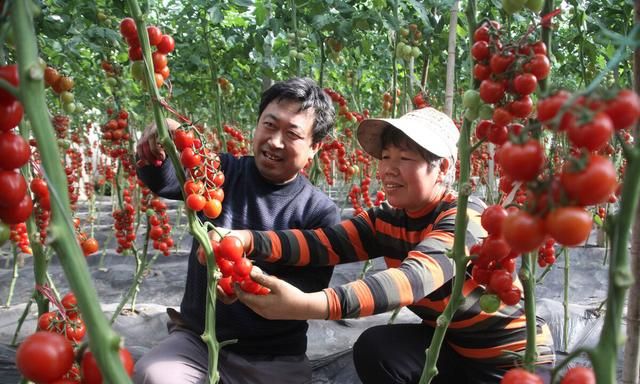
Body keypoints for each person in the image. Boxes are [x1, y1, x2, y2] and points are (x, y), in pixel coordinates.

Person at [220, 107, 556, 383]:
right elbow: (322, 243)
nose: (389, 170)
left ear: (443, 168)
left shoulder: (467, 217)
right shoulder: (387, 218)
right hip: (452, 350)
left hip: (512, 363)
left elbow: (411, 279)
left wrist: (306, 305)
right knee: (377, 347)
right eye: (385, 156)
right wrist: (249, 240)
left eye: (405, 159)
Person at [133, 77, 341, 384]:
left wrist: (242, 283)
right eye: (269, 125)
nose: (275, 141)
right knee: (154, 375)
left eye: (292, 134)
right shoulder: (220, 172)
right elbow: (165, 180)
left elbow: (304, 292)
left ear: (314, 148)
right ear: (256, 126)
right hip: (198, 341)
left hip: (273, 355)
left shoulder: (319, 211)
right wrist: (159, 146)